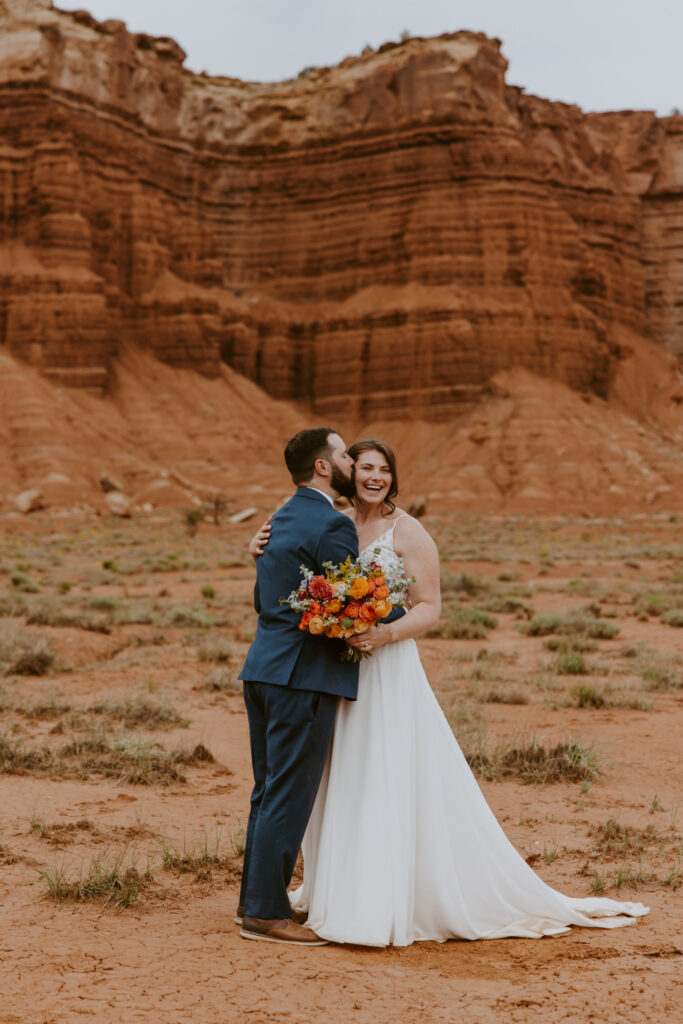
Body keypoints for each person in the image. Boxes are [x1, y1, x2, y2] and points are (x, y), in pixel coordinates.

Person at [249, 438, 649, 946]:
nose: (373, 477)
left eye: (384, 470)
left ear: (394, 477)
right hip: (334, 672)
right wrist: (257, 552)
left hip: (384, 669)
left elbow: (429, 606)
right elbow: (297, 582)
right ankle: (335, 887)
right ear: (343, 472)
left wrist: (383, 632)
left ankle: (382, 894)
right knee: (337, 779)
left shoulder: (408, 530)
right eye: (364, 466)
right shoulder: (333, 522)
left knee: (384, 773)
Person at [236, 427, 404, 946]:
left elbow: (267, 598)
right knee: (287, 793)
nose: (354, 464)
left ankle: (257, 902)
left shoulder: (279, 518)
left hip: (263, 669)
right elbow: (346, 604)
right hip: (300, 678)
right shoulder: (332, 525)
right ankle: (265, 913)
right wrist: (396, 611)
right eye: (344, 455)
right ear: (325, 468)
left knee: (267, 791)